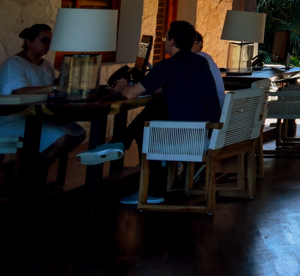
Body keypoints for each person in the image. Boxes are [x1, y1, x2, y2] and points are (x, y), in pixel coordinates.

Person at [79, 20, 221, 203]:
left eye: (166, 38)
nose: (164, 41)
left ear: (173, 42)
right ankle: (120, 143)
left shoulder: (168, 65)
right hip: (208, 132)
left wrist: (122, 87)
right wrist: (137, 86)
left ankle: (152, 190)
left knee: (149, 126)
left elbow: (130, 95)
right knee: (158, 107)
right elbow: (169, 87)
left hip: (188, 137)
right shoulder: (200, 62)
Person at [0, 24, 86, 181]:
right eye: (44, 40)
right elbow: (19, 91)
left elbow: (52, 91)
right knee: (61, 137)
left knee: (77, 133)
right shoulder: (15, 63)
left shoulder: (45, 65)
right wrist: (53, 86)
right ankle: (31, 177)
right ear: (29, 41)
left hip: (34, 118)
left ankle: (29, 172)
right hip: (7, 120)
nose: (48, 45)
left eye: (50, 41)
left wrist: (63, 76)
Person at [192, 32, 226, 108]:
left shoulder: (198, 60)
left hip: (207, 114)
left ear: (199, 44)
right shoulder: (207, 58)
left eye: (192, 42)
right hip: (218, 112)